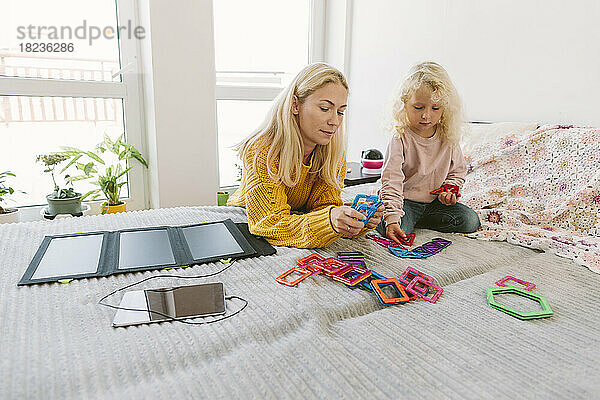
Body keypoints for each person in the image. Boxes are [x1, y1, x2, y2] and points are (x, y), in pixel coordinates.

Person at [228, 63, 383, 248]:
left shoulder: (333, 155)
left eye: (340, 112)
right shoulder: (261, 151)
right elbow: (270, 224)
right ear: (295, 105)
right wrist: (329, 220)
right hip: (248, 213)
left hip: (295, 215)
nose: (335, 121)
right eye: (325, 108)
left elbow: (324, 209)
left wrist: (354, 221)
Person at [376, 61, 480, 244]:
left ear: (444, 109)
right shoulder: (400, 137)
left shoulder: (448, 136)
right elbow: (391, 180)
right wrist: (392, 217)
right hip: (403, 202)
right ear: (404, 105)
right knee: (393, 229)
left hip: (433, 205)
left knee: (470, 221)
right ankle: (383, 211)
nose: (426, 115)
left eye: (435, 108)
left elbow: (457, 172)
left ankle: (418, 221)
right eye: (418, 107)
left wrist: (449, 190)